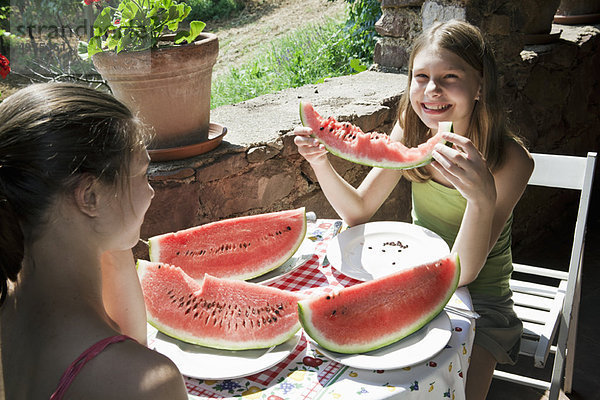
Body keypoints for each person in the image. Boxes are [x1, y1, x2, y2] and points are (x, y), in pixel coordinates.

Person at [294, 20, 534, 399]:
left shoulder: (512, 161)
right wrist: (321, 162)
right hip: (411, 275)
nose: (432, 90)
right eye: (420, 76)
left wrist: (481, 198)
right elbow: (358, 210)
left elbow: (466, 272)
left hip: (482, 307)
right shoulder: (410, 130)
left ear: (480, 86)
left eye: (449, 76)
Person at [0, 82, 189, 399]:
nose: (151, 192)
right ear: (90, 196)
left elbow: (124, 339)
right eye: (143, 174)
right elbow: (127, 359)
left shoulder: (10, 304)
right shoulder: (145, 380)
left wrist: (109, 226)